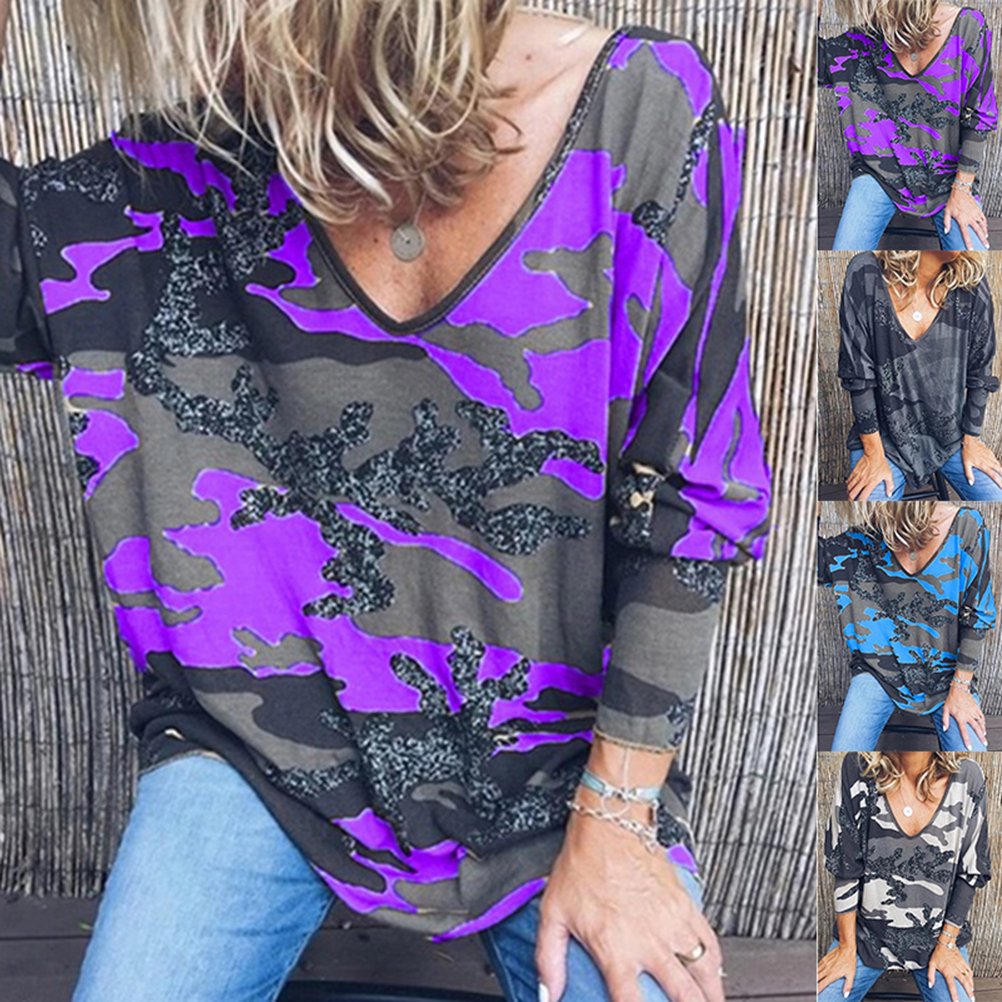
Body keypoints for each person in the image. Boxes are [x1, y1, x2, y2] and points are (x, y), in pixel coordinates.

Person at [0, 2, 772, 1001]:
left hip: (557, 771)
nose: (209, 61)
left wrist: (619, 817)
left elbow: (694, 496)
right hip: (260, 754)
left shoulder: (638, 105)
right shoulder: (190, 164)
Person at [818, 0, 997, 251]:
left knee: (974, 260)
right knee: (845, 257)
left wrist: (963, 189)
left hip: (949, 180)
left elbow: (980, 116)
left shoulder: (968, 26)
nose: (867, 15)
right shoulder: (864, 40)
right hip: (880, 176)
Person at [818, 501, 995, 752]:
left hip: (948, 677)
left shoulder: (967, 526)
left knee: (972, 754)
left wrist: (961, 687)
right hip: (879, 673)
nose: (869, 513)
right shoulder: (864, 538)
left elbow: (978, 615)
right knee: (843, 752)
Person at [818, 751, 991, 1002]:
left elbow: (972, 870)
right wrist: (846, 947)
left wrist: (947, 944)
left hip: (938, 941)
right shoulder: (858, 768)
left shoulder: (968, 777)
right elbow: (845, 865)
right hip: (864, 940)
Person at [837, 250, 1002, 501]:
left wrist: (971, 440)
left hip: (951, 440)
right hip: (882, 441)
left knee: (995, 497)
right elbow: (858, 376)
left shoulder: (972, 280)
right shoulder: (866, 272)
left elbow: (980, 374)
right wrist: (873, 453)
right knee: (867, 508)